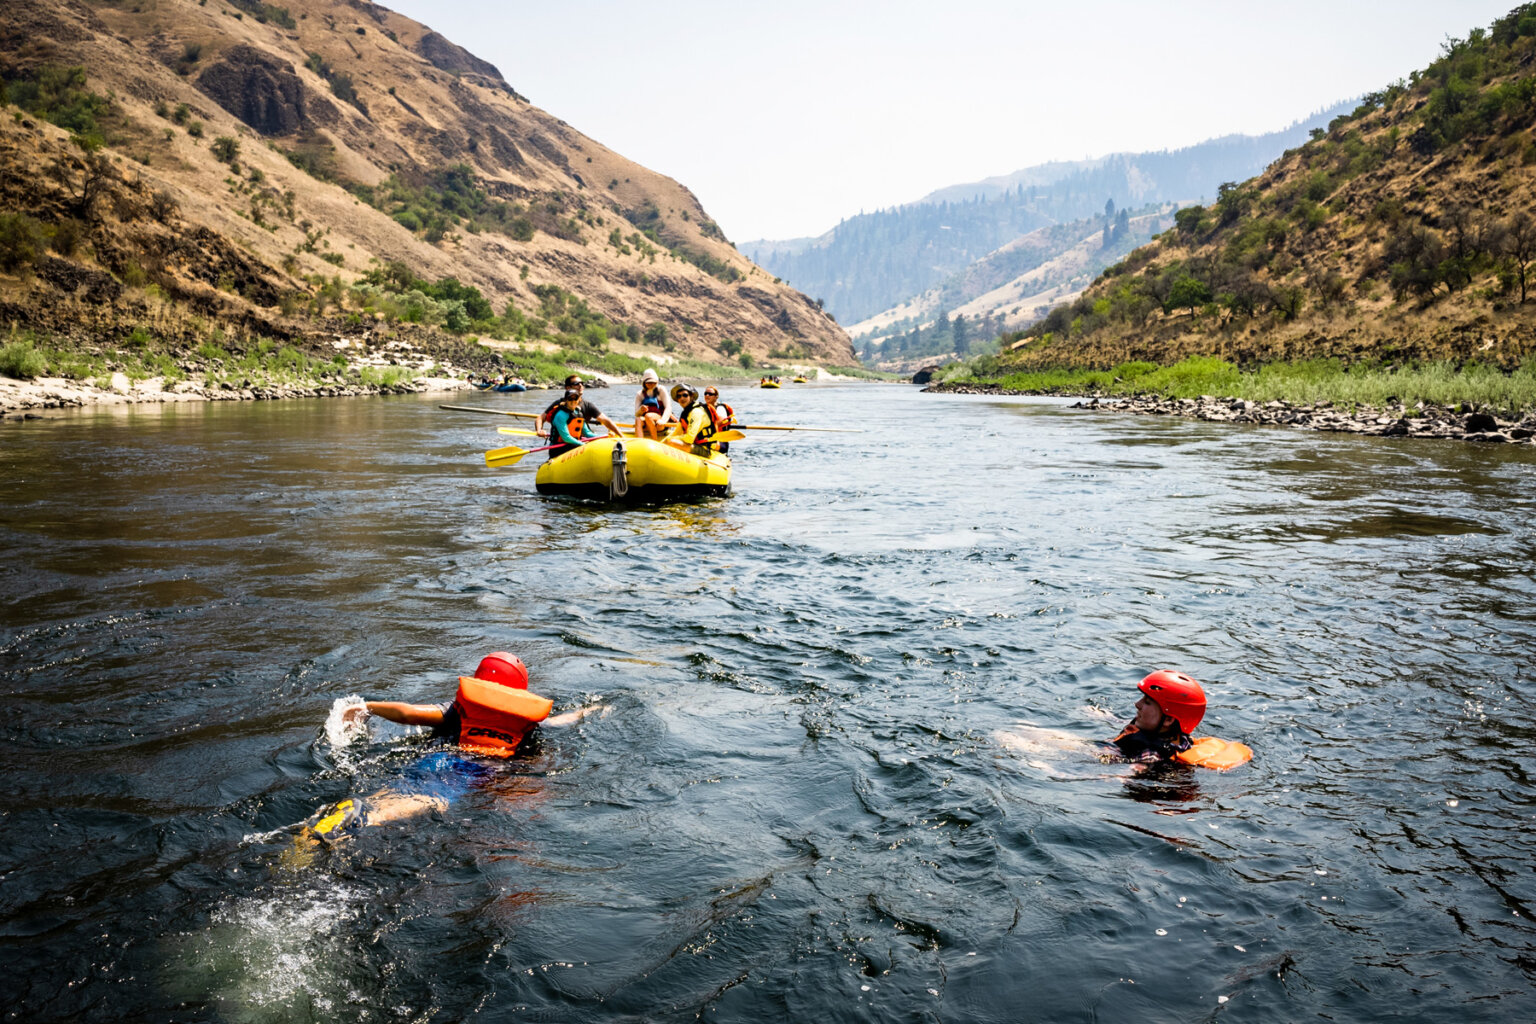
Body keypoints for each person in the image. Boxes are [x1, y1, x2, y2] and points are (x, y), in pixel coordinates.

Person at [283, 653, 600, 865]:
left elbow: (408, 712)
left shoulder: (458, 708)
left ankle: (350, 814)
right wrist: (592, 710)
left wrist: (368, 706)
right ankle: (361, 820)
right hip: (472, 769)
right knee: (427, 802)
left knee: (396, 792)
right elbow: (562, 721)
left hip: (436, 759)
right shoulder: (528, 722)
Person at [1105, 670, 1204, 763]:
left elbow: (1136, 769)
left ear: (1168, 719)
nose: (1137, 704)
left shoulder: (1151, 755)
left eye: (1147, 702)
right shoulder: (1168, 733)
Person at [537, 375, 619, 438]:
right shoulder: (559, 404)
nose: (580, 386)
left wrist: (620, 436)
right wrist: (539, 430)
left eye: (582, 383)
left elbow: (606, 421)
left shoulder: (588, 405)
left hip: (584, 441)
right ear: (568, 388)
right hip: (564, 442)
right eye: (576, 384)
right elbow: (540, 418)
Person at [667, 383, 715, 457]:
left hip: (704, 449)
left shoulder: (696, 412)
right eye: (679, 396)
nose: (681, 398)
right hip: (694, 444)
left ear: (691, 397)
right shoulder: (686, 413)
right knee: (669, 440)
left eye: (685, 395)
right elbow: (677, 432)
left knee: (672, 442)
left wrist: (671, 439)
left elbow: (689, 438)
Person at [634, 368, 675, 440]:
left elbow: (668, 407)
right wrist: (641, 410)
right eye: (649, 383)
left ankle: (654, 440)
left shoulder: (661, 389)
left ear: (657, 382)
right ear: (644, 383)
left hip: (660, 423)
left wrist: (663, 420)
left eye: (654, 383)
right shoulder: (640, 394)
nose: (651, 384)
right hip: (647, 423)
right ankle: (639, 441)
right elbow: (637, 414)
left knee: (648, 416)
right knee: (638, 419)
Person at [702, 386, 735, 454]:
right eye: (705, 393)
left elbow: (718, 423)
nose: (707, 395)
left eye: (710, 394)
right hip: (706, 439)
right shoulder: (702, 408)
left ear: (716, 397)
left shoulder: (720, 409)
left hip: (720, 441)